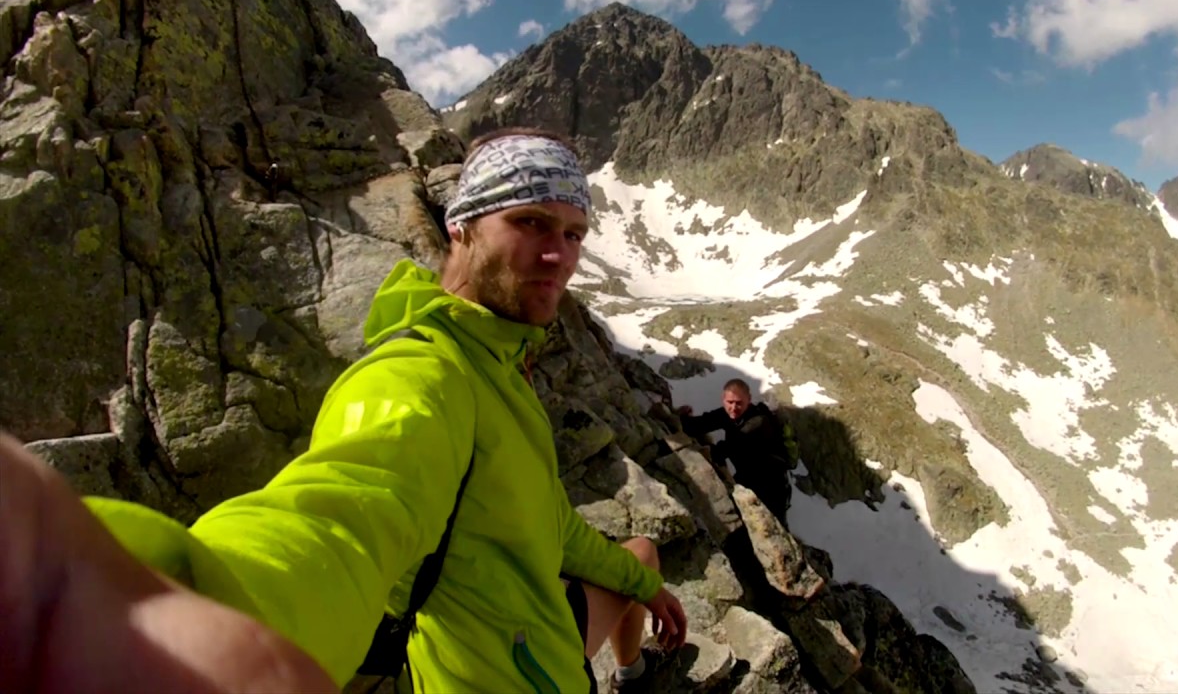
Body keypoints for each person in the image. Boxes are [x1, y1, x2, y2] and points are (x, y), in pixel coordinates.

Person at [0, 127, 687, 694]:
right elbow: (344, 515)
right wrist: (181, 612)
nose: (557, 255)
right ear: (463, 227)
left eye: (573, 233)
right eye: (530, 222)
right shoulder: (424, 374)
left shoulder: (497, 364)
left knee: (643, 556)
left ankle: (635, 674)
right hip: (499, 675)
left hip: (539, 640)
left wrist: (642, 586)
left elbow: (544, 518)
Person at [678, 379, 793, 526]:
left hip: (772, 486)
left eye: (739, 403)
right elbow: (701, 424)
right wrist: (682, 419)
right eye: (730, 402)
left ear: (749, 400)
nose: (734, 407)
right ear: (723, 399)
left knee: (774, 527)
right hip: (748, 478)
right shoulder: (728, 414)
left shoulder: (758, 423)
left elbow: (724, 449)